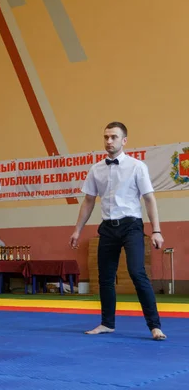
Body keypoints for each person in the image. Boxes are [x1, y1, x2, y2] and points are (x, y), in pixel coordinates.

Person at [69, 121, 166, 341]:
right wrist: (77, 230)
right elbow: (88, 201)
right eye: (106, 137)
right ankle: (107, 323)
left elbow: (149, 199)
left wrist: (156, 230)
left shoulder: (137, 166)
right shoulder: (96, 169)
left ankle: (155, 326)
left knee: (136, 272)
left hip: (131, 225)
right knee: (105, 278)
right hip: (108, 229)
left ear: (124, 140)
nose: (109, 141)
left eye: (113, 137)